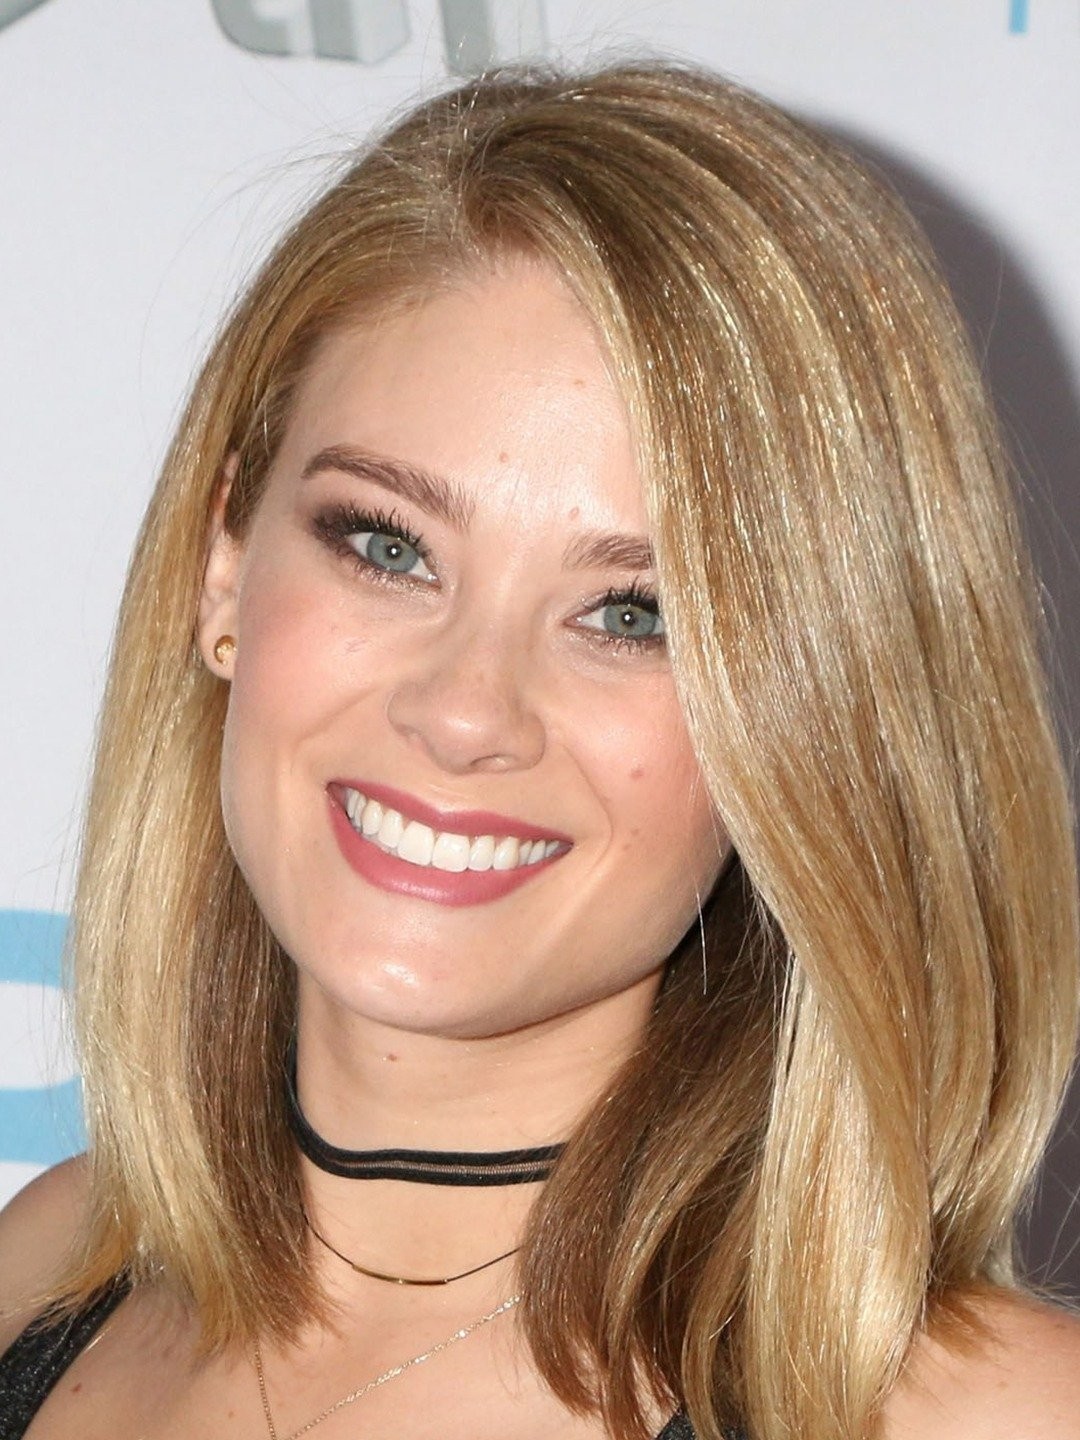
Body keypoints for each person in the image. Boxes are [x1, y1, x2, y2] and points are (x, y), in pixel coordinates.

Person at [1, 60, 1079, 1440]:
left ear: (811, 721)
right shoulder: (47, 1269)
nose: (466, 711)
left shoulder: (988, 1415)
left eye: (633, 615)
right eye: (387, 546)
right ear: (225, 561)